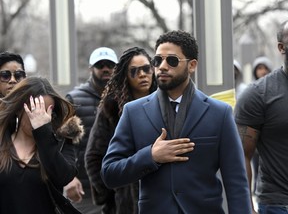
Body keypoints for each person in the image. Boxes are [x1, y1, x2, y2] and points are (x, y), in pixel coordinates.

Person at [100, 30, 252, 213]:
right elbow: (109, 173)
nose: (162, 66)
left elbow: (236, 182)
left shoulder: (220, 113)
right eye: (157, 60)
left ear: (192, 65)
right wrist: (150, 156)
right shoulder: (133, 112)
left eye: (171, 60)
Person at [85, 46, 157, 214]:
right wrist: (113, 194)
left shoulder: (166, 102)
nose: (142, 74)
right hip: (125, 205)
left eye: (147, 68)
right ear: (125, 75)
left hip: (161, 198)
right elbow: (93, 157)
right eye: (134, 71)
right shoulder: (111, 107)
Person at [0, 76, 84, 214]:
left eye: (46, 112)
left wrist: (43, 133)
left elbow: (63, 177)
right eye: (35, 110)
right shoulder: (3, 141)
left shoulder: (61, 143)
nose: (40, 117)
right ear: (19, 108)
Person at [234, 20, 288, 214]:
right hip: (279, 204)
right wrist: (247, 207)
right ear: (281, 47)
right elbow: (242, 156)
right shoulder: (258, 94)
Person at [65, 47, 118, 213]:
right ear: (91, 69)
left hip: (117, 182)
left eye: (110, 64)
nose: (105, 69)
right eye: (100, 65)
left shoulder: (123, 97)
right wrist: (68, 177)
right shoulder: (74, 99)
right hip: (85, 187)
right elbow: (63, 143)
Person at [251, 56, 273, 196]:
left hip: (270, 139)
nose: (262, 71)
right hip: (254, 137)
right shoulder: (250, 90)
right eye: (259, 68)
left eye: (265, 68)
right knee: (255, 164)